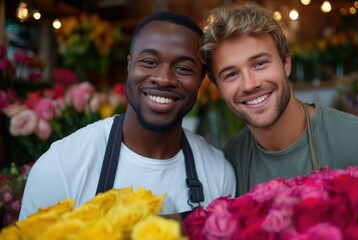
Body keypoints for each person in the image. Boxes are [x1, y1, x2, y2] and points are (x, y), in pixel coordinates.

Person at [19, 11, 236, 220]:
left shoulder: (218, 171)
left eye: (183, 68)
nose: (163, 79)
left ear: (200, 80)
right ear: (129, 66)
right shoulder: (60, 166)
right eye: (150, 62)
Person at [200, 3, 358, 196]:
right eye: (231, 75)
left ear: (286, 63)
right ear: (218, 88)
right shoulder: (225, 166)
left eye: (260, 63)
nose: (249, 84)